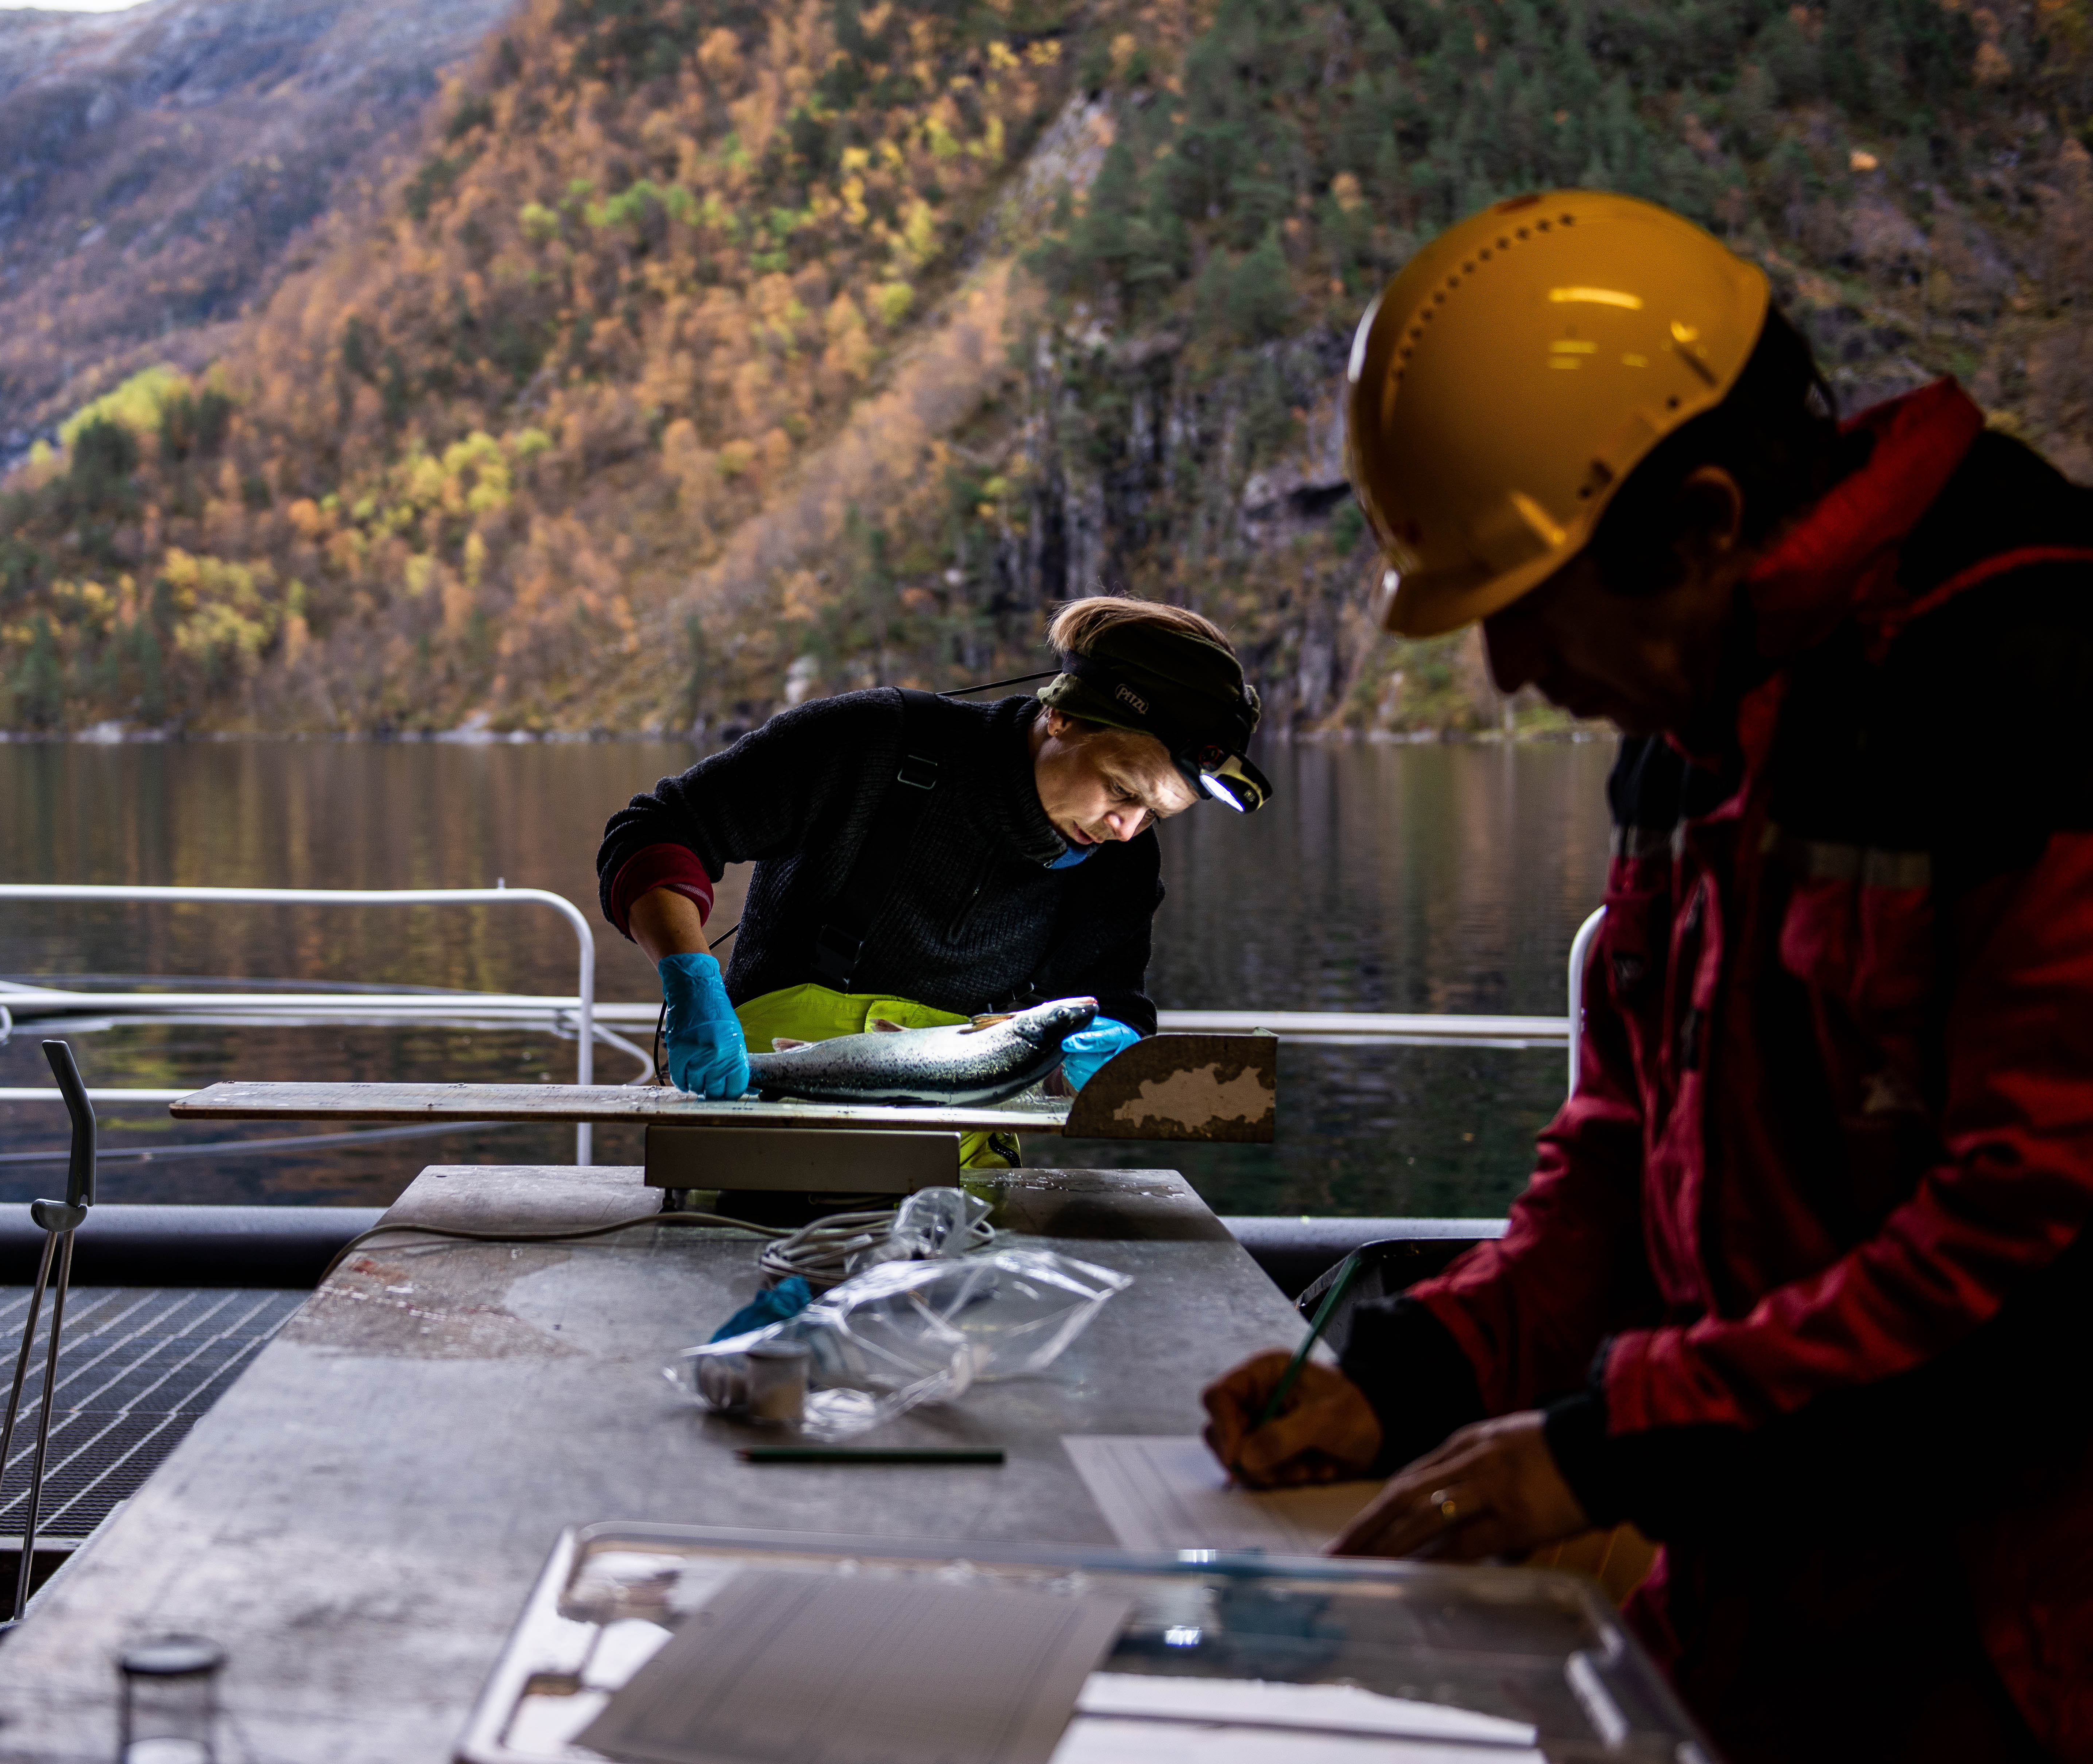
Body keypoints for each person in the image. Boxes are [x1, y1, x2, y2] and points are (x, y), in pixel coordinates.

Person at [1202, 189, 2093, 1761]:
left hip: (2018, 1664)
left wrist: (1608, 1444)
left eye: (1533, 609)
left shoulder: (2035, 691)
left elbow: (2036, 1256)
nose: (1509, 676)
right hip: (1760, 1625)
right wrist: (1410, 1370)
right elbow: (1622, 1158)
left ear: (1700, 523)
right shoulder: (1697, 737)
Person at [599, 596, 1270, 1140]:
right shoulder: (874, 741)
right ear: (1061, 717)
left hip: (961, 1144)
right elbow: (656, 831)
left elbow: (1112, 997)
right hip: (759, 1108)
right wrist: (691, 978)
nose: (1126, 828)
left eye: (1155, 814)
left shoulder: (1119, 860)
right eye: (1122, 790)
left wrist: (1118, 1048)